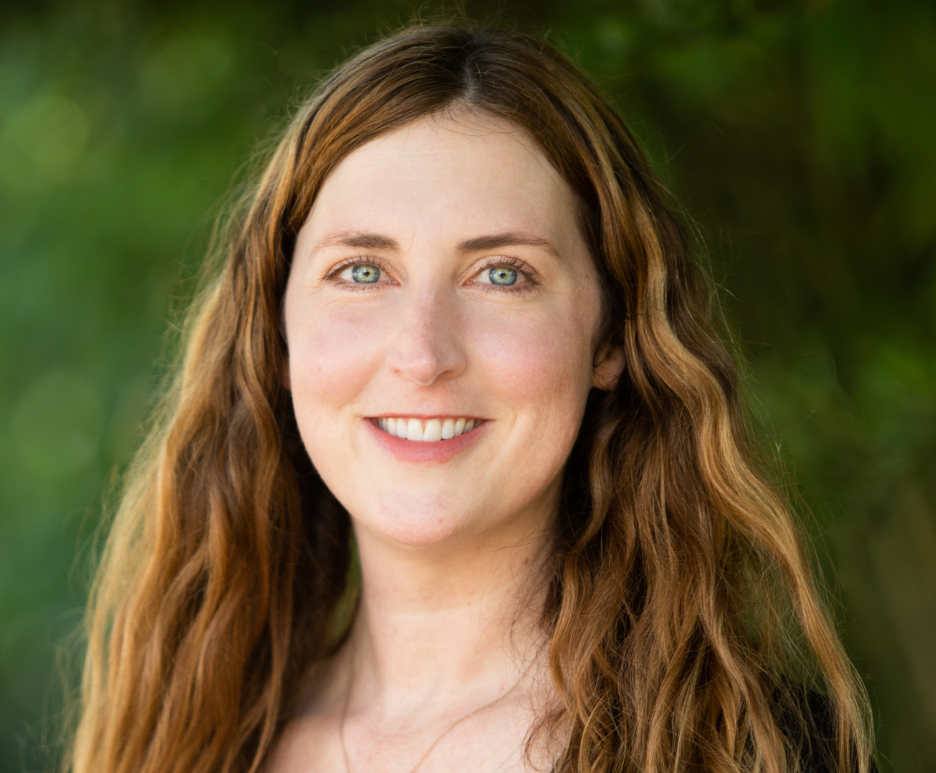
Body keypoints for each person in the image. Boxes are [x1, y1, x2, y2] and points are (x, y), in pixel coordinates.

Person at [69, 21, 874, 773]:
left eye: (502, 274)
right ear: (274, 334)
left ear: (612, 337)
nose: (422, 354)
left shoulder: (755, 749)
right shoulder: (188, 743)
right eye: (361, 271)